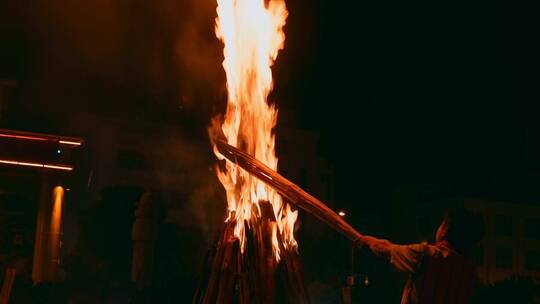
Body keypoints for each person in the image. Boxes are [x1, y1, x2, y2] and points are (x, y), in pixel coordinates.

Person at [356, 208, 485, 304]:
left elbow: (383, 249)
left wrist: (365, 240)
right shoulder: (470, 272)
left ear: (445, 229)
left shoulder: (427, 254)